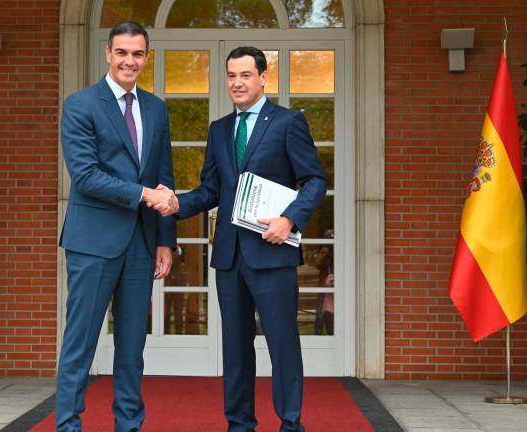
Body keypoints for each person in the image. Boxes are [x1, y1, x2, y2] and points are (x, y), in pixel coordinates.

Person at [165, 46, 326, 432]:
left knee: (282, 345)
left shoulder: (288, 123)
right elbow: (211, 190)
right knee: (235, 350)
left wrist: (290, 220)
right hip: (229, 257)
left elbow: (315, 180)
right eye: (232, 76)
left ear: (262, 78)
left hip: (272, 253)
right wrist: (175, 204)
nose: (237, 83)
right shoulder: (219, 129)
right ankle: (239, 424)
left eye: (245, 75)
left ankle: (290, 424)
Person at [56, 21, 178, 432]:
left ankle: (129, 425)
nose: (130, 61)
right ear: (108, 54)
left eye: (138, 54)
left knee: (132, 347)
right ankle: (68, 424)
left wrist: (166, 240)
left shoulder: (157, 108)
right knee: (80, 342)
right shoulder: (81, 104)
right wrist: (144, 195)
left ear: (147, 57)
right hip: (92, 242)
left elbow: (164, 175)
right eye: (122, 53)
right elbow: (86, 175)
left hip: (142, 244)